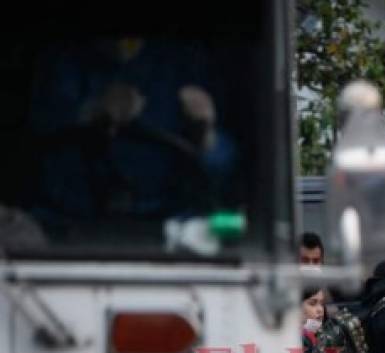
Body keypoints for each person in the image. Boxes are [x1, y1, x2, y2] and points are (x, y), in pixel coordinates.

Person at [29, 37, 236, 224]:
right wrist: (91, 111)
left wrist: (204, 134)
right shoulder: (65, 59)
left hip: (168, 225)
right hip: (70, 222)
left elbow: (226, 168)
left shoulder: (185, 62)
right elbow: (36, 130)